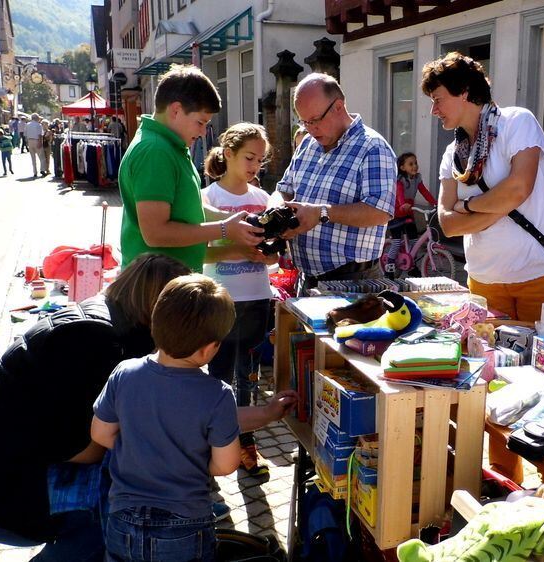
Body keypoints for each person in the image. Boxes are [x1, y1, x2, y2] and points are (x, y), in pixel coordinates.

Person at [0, 254, 297, 561]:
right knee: (112, 498)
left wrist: (263, 414)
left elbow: (175, 416)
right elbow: (94, 448)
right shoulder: (96, 343)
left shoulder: (112, 339)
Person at [92, 274, 240, 562]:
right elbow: (225, 464)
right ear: (209, 348)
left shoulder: (124, 373)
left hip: (123, 518)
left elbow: (100, 434)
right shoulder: (218, 394)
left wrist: (138, 450)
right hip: (185, 523)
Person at [421, 52, 544, 322]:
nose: (433, 110)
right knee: (490, 361)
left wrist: (466, 206)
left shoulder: (516, 122)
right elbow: (447, 224)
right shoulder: (453, 155)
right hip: (483, 281)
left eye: (437, 100)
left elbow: (518, 189)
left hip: (541, 275)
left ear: (465, 93)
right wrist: (500, 206)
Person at [119, 63, 263, 272]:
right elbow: (155, 233)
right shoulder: (155, 150)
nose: (204, 132)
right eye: (200, 122)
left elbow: (185, 206)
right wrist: (224, 229)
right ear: (176, 110)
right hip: (155, 286)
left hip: (168, 281)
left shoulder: (169, 145)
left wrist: (230, 219)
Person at [276, 73, 396, 295]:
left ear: (338, 107)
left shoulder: (373, 147)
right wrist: (279, 215)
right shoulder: (308, 145)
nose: (310, 129)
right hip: (306, 278)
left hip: (354, 283)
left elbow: (380, 212)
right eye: (304, 122)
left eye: (315, 120)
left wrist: (322, 212)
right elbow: (284, 189)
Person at [203, 123, 276, 477]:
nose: (254, 166)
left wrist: (269, 256)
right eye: (249, 157)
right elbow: (202, 253)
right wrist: (242, 251)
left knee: (249, 376)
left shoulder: (264, 200)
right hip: (220, 301)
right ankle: (217, 443)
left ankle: (247, 445)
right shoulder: (208, 198)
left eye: (260, 161)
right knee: (217, 376)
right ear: (228, 153)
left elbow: (276, 253)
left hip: (257, 298)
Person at [387, 152, 437, 266]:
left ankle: (411, 264)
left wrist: (435, 202)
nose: (415, 166)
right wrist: (402, 203)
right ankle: (389, 265)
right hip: (397, 212)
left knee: (414, 240)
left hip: (408, 212)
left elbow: (424, 191)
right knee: (396, 242)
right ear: (402, 167)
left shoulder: (417, 178)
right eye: (411, 164)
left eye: (415, 163)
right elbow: (399, 192)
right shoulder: (400, 180)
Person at [24, 113, 46, 178]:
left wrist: (27, 143)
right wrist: (40, 143)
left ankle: (35, 172)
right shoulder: (38, 125)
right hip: (37, 140)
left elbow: (25, 135)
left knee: (33, 158)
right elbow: (40, 135)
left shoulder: (27, 125)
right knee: (41, 157)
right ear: (37, 118)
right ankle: (42, 170)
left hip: (30, 141)